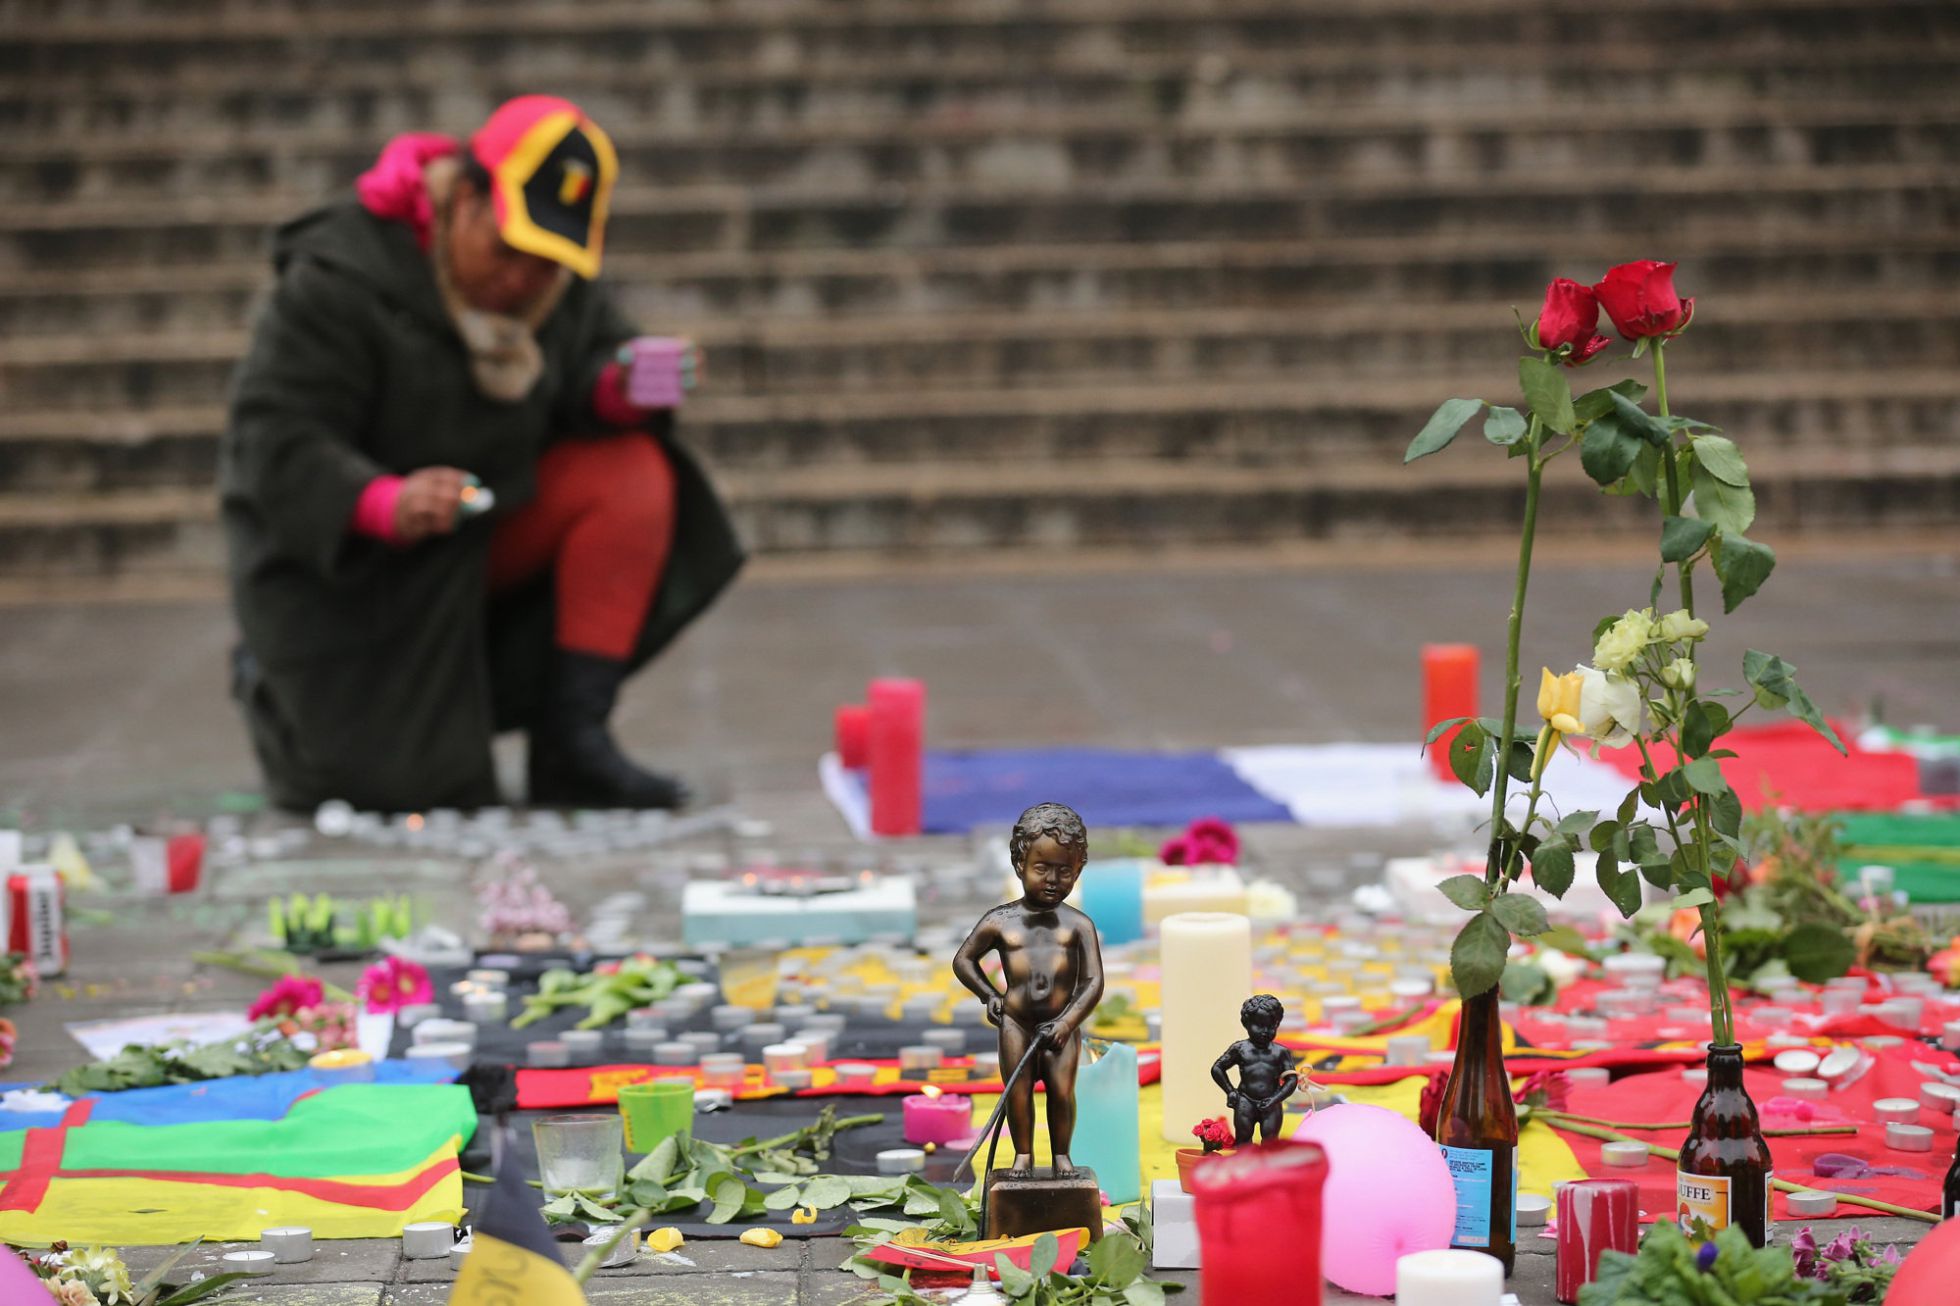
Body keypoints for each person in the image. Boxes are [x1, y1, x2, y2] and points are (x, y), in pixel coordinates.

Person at [220, 96, 744, 813]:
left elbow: (588, 364)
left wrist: (620, 388)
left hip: (478, 540)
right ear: (464, 199)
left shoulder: (554, 293)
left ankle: (573, 741)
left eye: (547, 264)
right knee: (398, 792)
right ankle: (274, 688)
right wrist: (385, 502)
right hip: (358, 578)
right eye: (508, 250)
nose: (522, 280)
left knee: (631, 472)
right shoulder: (342, 280)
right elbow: (275, 437)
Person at [952, 802, 1106, 1178]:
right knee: (1017, 1091)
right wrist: (989, 995)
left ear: (1078, 870)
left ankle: (1061, 1156)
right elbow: (963, 960)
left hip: (1061, 1026)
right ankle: (1023, 1154)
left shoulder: (1078, 926)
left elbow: (1093, 982)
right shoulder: (1001, 920)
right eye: (1041, 868)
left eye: (1064, 871)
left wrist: (1067, 1023)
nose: (1053, 880)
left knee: (1061, 1091)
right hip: (1016, 1022)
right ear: (1019, 864)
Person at [1210, 993, 1300, 1145]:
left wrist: (1275, 1099)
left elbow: (1292, 1080)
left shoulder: (1281, 1052)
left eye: (1271, 1026)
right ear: (1246, 1023)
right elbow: (1217, 1068)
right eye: (1259, 1025)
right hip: (1245, 1101)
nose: (1265, 1031)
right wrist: (1230, 1091)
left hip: (1272, 1102)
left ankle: (1267, 1162)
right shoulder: (1239, 1049)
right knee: (1243, 1140)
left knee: (1270, 1142)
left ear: (1277, 1024)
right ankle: (1243, 1160)